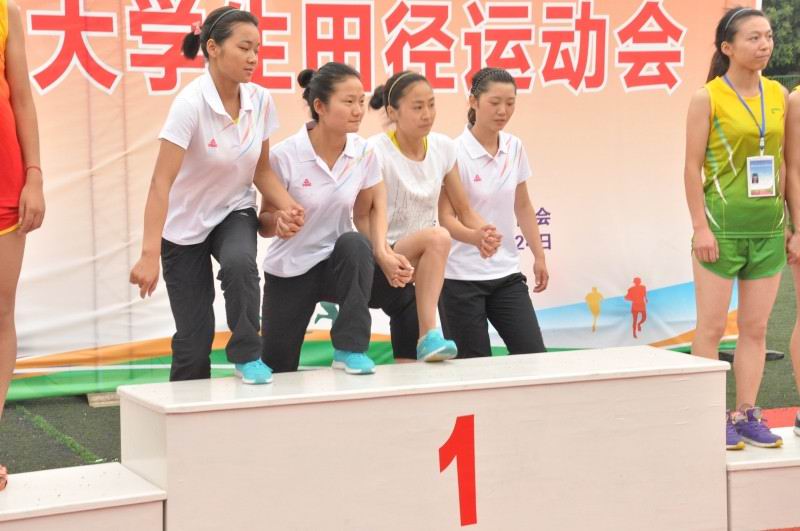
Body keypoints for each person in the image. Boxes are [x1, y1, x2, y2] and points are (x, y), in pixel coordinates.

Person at [129, 6, 295, 385]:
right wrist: (149, 255)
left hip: (234, 210)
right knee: (193, 340)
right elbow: (160, 183)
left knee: (240, 264)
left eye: (257, 49)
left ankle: (247, 354)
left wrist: (288, 207)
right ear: (213, 48)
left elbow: (261, 170)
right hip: (183, 226)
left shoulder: (260, 101)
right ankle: (185, 410)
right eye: (244, 48)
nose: (253, 58)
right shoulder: (189, 105)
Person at [684, 7, 785, 450]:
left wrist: (792, 226)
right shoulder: (707, 97)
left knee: (755, 329)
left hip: (769, 230)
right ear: (727, 47)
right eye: (753, 38)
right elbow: (690, 168)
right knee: (710, 329)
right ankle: (708, 416)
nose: (764, 45)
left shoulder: (779, 94)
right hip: (720, 230)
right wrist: (700, 228)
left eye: (768, 37)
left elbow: (787, 164)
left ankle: (746, 413)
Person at [260, 62, 400, 375]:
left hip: (337, 263)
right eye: (348, 102)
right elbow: (264, 221)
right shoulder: (285, 155)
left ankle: (350, 348)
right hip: (291, 269)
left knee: (357, 245)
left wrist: (384, 252)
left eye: (361, 101)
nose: (358, 110)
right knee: (277, 367)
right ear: (320, 106)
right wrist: (278, 221)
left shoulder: (364, 152)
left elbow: (369, 210)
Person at [366, 70, 501, 362]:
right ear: (393, 112)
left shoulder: (443, 148)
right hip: (382, 258)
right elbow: (361, 215)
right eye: (417, 107)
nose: (427, 114)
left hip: (419, 264)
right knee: (438, 237)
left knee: (409, 364)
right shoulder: (375, 150)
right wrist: (382, 254)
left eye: (431, 104)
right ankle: (430, 334)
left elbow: (464, 211)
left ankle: (425, 341)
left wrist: (482, 235)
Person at [438, 67, 548, 358]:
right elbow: (445, 218)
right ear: (473, 101)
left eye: (510, 103)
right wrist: (475, 238)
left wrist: (539, 256)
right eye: (494, 102)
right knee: (473, 369)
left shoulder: (514, 147)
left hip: (506, 273)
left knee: (533, 356)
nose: (503, 111)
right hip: (459, 278)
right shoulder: (453, 152)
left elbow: (522, 205)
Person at [0, 0, 45, 491]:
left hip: (5, 183)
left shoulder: (6, 13)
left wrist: (34, 175)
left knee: (1, 313)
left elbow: (22, 99)